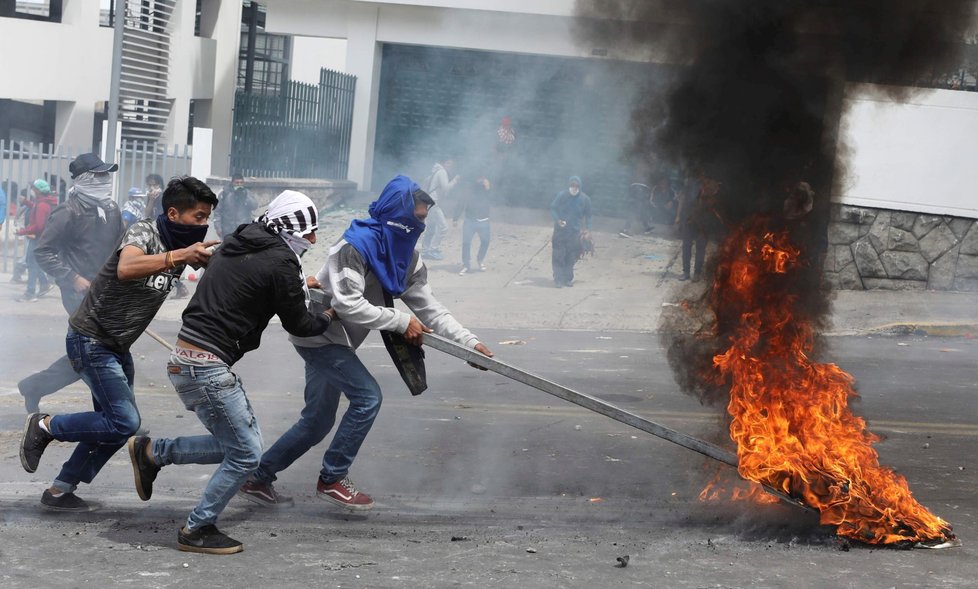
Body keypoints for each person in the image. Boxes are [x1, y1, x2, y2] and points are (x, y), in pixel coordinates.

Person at [235, 175, 493, 513]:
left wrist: (470, 343)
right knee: (368, 397)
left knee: (316, 421)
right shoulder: (354, 246)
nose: (420, 225)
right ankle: (332, 478)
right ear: (396, 212)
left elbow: (429, 308)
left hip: (338, 340)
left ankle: (258, 477)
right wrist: (402, 321)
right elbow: (347, 304)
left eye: (424, 219)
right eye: (416, 217)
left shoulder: (406, 257)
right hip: (318, 334)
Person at [125, 190, 334, 555]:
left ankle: (153, 453)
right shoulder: (282, 261)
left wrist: (298, 286)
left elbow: (256, 283)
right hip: (206, 367)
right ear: (287, 229)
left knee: (232, 446)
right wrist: (330, 315)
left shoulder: (239, 239)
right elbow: (300, 324)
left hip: (185, 360)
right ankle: (197, 528)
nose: (312, 239)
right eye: (307, 231)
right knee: (247, 455)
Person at [19, 176, 219, 514]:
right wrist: (178, 255)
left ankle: (60, 490)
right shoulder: (144, 232)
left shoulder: (179, 247)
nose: (204, 224)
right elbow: (127, 267)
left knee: (113, 425)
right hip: (91, 339)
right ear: (173, 213)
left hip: (116, 346)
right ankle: (45, 426)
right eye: (198, 217)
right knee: (125, 423)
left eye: (207, 217)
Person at [21, 153, 126, 413]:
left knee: (93, 354)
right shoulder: (67, 211)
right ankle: (117, 413)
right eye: (98, 175)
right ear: (83, 180)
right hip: (78, 294)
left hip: (107, 291)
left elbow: (121, 246)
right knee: (103, 351)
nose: (105, 180)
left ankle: (36, 386)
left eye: (106, 175)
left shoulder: (111, 209)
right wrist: (72, 277)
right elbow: (43, 252)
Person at [674, 169, 721, 282]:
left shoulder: (712, 187)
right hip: (688, 218)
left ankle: (697, 273)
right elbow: (682, 200)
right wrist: (678, 216)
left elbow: (714, 204)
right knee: (686, 245)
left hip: (703, 222)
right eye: (700, 175)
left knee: (700, 247)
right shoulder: (689, 184)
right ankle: (686, 272)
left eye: (704, 175)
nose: (702, 177)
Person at [15, 180, 58, 301]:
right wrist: (26, 202)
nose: (32, 190)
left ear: (38, 191)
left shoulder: (42, 205)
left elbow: (39, 226)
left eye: (33, 188)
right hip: (39, 238)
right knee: (34, 263)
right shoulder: (41, 202)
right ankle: (44, 285)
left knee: (32, 264)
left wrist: (23, 231)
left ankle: (30, 293)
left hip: (38, 238)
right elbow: (35, 207)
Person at [550, 176, 592, 288]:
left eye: (576, 186)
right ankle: (558, 279)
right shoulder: (562, 196)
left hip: (574, 233)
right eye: (572, 185)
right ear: (568, 186)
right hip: (560, 232)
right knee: (558, 255)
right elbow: (553, 208)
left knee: (571, 256)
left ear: (580, 187)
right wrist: (558, 220)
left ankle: (567, 279)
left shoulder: (585, 199)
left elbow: (589, 216)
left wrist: (588, 229)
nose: (574, 188)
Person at [420, 157, 460, 260]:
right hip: (434, 203)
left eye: (451, 164)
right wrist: (455, 180)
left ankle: (425, 250)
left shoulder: (436, 171)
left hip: (429, 202)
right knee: (444, 227)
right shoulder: (442, 172)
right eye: (448, 163)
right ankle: (433, 249)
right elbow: (445, 187)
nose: (450, 166)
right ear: (443, 163)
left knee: (431, 228)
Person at [453, 176, 493, 275]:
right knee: (466, 243)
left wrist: (488, 188)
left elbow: (494, 198)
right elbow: (460, 203)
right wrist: (455, 218)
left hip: (484, 220)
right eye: (480, 179)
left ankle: (480, 260)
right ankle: (466, 265)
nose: (482, 181)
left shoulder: (487, 191)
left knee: (485, 241)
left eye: (483, 179)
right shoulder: (468, 190)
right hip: (470, 221)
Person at [212, 173, 257, 238]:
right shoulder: (225, 194)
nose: (239, 185)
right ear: (232, 183)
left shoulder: (247, 193)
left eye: (241, 183)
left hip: (243, 229)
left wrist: (245, 197)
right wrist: (218, 227)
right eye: (237, 183)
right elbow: (217, 211)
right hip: (228, 230)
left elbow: (254, 206)